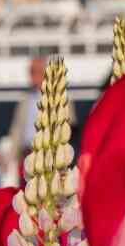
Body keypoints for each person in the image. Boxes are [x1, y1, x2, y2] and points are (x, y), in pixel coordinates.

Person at [6, 56, 76, 184]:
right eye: (32, 71)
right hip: (27, 155)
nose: (34, 75)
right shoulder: (25, 99)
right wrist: (11, 157)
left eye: (37, 71)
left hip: (51, 157)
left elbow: (70, 127)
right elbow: (17, 129)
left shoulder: (62, 97)